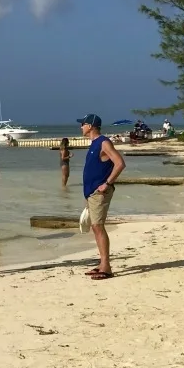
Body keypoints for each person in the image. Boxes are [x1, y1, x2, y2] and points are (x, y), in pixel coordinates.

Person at [78, 113, 126, 280]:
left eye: (83, 124)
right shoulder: (94, 144)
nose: (81, 127)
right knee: (95, 227)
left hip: (100, 192)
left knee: (98, 226)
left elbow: (120, 163)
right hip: (92, 193)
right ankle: (102, 263)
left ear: (90, 126)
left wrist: (107, 183)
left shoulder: (103, 142)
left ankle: (106, 266)